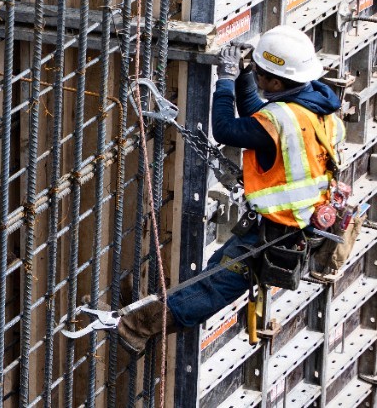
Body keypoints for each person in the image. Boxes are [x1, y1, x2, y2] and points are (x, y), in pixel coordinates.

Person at [117, 25, 343, 352]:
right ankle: (149, 320)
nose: (256, 76)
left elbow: (227, 129)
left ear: (277, 82)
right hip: (292, 224)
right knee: (215, 276)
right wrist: (241, 77)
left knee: (216, 286)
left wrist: (223, 80)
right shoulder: (315, 111)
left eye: (260, 74)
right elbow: (258, 115)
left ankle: (138, 327)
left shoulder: (281, 119)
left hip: (280, 231)